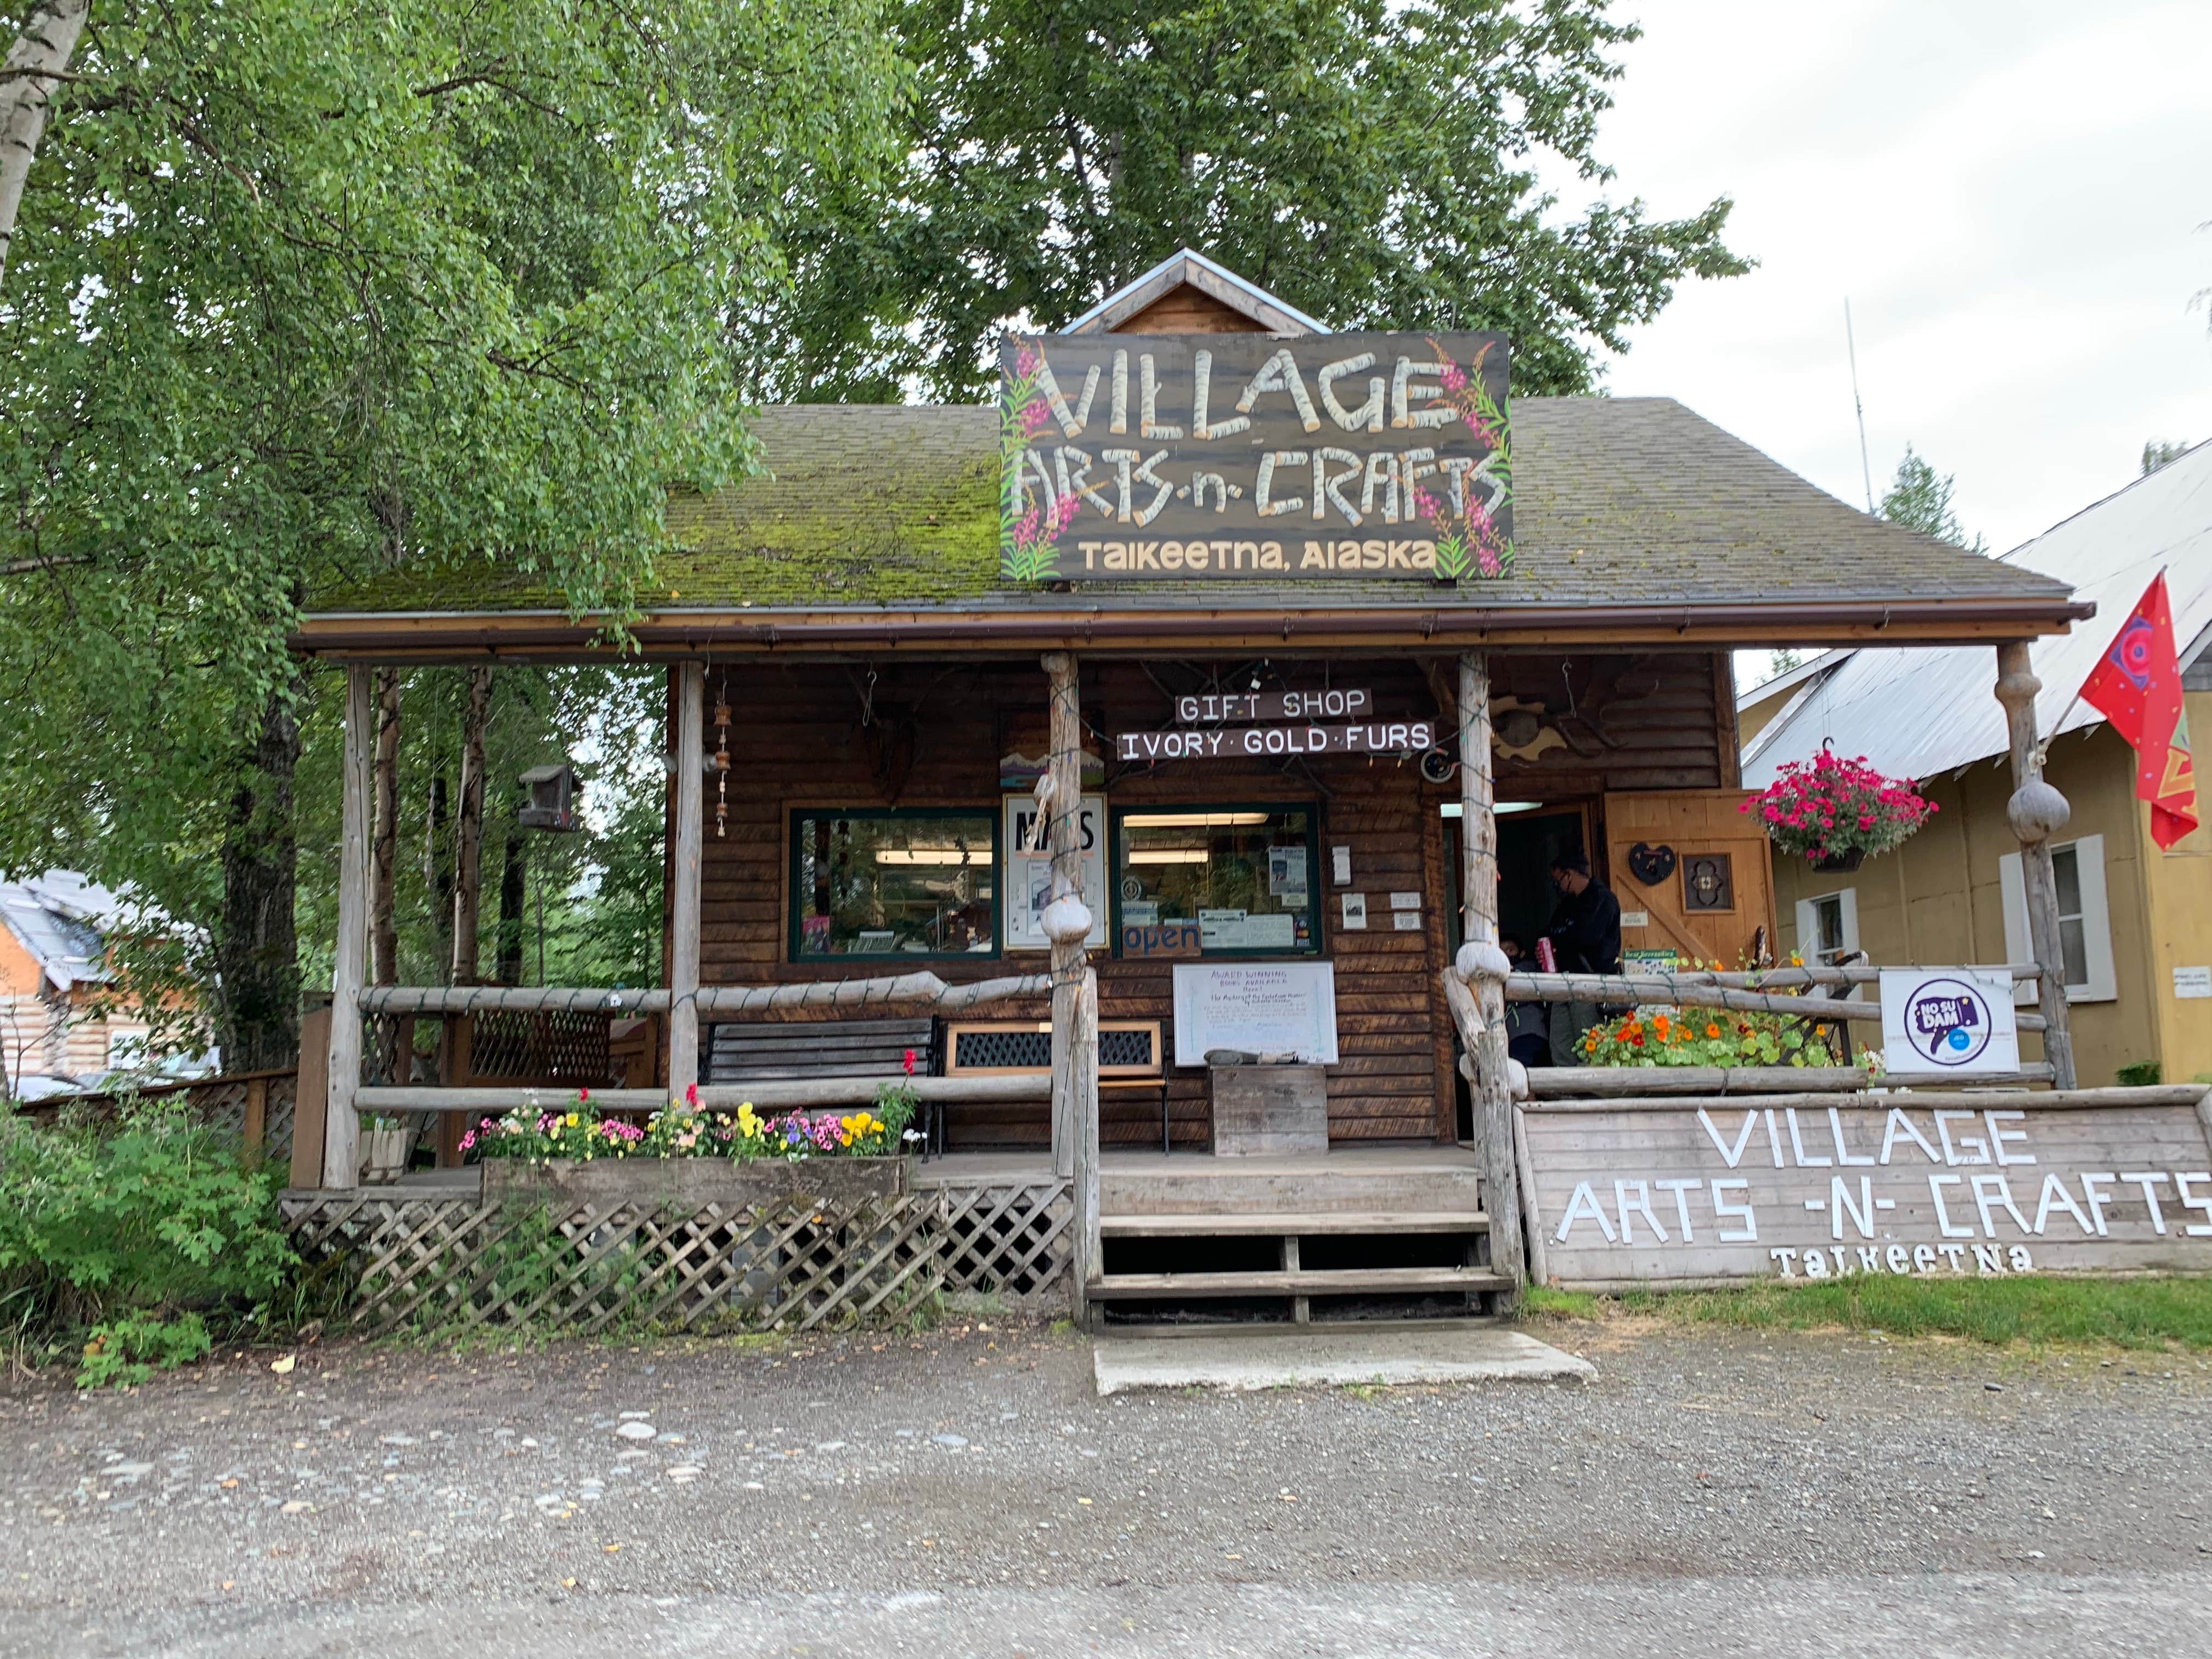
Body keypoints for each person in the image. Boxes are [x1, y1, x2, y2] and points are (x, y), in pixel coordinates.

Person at [1543, 851, 1620, 1064]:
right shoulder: (1567, 904)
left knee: (1589, 1040)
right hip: (1562, 981)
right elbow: (1550, 932)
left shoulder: (1603, 900)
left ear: (1570, 874)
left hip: (1590, 980)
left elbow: (1587, 938)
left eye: (1558, 880)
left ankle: (1593, 1091)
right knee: (1560, 1041)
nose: (1557, 886)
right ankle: (1567, 1090)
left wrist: (1563, 937)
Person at [1498, 934, 1551, 1068]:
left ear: (1521, 954)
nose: (1506, 955)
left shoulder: (1529, 968)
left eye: (1510, 950)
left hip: (1530, 1033)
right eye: (1501, 952)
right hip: (1512, 1038)